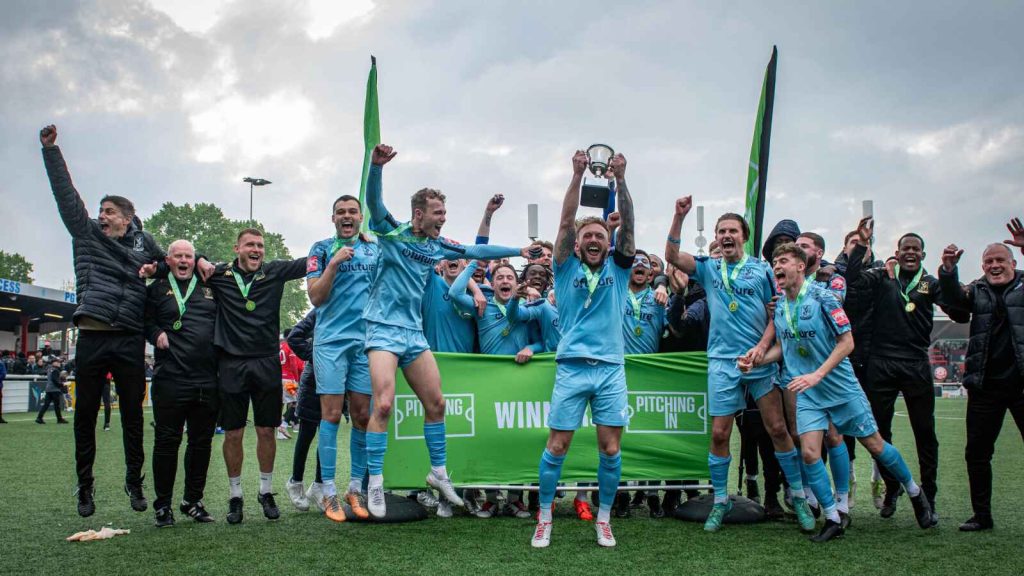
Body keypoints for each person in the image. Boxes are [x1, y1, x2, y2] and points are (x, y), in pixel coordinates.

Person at [360, 143, 538, 519]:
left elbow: (476, 252)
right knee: (384, 404)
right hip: (382, 329)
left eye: (444, 212)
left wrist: (519, 250)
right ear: (419, 213)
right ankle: (374, 480)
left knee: (437, 404)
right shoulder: (392, 232)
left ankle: (438, 473)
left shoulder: (438, 245)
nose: (443, 218)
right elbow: (374, 203)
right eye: (438, 213)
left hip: (413, 333)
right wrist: (376, 167)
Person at [741, 243, 936, 541]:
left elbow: (847, 343)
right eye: (775, 262)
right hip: (808, 392)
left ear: (800, 266)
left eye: (783, 261)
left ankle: (913, 491)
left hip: (840, 387)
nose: (777, 266)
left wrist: (817, 374)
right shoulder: (780, 306)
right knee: (809, 452)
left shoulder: (824, 298)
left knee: (875, 445)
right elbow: (782, 348)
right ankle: (833, 517)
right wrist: (756, 361)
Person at [664, 197, 814, 533]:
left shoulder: (763, 271)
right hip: (722, 362)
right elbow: (672, 256)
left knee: (777, 429)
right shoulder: (708, 267)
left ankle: (799, 497)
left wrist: (761, 349)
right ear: (716, 237)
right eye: (721, 231)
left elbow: (776, 314)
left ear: (743, 236)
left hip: (759, 362)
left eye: (732, 230)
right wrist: (679, 217)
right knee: (720, 433)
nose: (727, 236)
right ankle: (720, 501)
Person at [40, 124, 165, 517]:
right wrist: (51, 152)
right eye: (101, 211)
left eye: (110, 212)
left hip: (129, 339)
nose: (102, 216)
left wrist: (155, 269)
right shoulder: (86, 233)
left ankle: (134, 481)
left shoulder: (145, 243)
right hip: (92, 337)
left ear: (128, 219)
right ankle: (85, 486)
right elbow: (66, 198)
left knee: (132, 417)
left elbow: (168, 266)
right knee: (84, 418)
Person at [530, 150, 635, 549]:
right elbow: (563, 222)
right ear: (577, 245)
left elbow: (629, 227)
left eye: (600, 237)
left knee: (611, 448)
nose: (593, 240)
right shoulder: (565, 267)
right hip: (572, 368)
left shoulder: (619, 270)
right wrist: (576, 176)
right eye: (587, 236)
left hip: (610, 369)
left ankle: (603, 519)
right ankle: (544, 517)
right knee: (557, 446)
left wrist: (621, 180)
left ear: (608, 245)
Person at [845, 219, 962, 524]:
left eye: (916, 249)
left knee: (925, 432)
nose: (910, 252)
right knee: (879, 433)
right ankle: (892, 488)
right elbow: (852, 282)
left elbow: (958, 310)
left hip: (915, 364)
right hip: (880, 363)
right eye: (905, 248)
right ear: (896, 253)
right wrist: (860, 244)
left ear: (923, 255)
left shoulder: (930, 283)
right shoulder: (882, 277)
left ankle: (929, 496)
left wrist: (949, 273)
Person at [201, 228, 308, 524]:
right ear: (237, 248)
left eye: (260, 245)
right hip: (231, 363)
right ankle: (235, 495)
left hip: (265, 362)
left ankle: (266, 490)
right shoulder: (219, 274)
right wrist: (199, 258)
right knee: (233, 433)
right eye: (250, 244)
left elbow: (310, 261)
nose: (256, 249)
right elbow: (181, 262)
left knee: (266, 430)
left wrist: (347, 243)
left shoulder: (274, 272)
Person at [937, 234, 1024, 532]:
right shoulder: (978, 289)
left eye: (1000, 260)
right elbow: (957, 309)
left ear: (1013, 262)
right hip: (985, 385)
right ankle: (982, 515)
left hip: (1021, 384)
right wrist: (949, 272)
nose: (994, 265)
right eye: (989, 261)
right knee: (977, 453)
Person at [305, 193, 379, 522]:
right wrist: (334, 263)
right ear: (333, 218)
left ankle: (355, 488)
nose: (346, 216)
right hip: (331, 343)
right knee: (332, 415)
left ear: (361, 218)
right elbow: (316, 297)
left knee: (362, 416)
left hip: (365, 343)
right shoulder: (321, 249)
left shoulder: (373, 249)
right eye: (340, 212)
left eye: (352, 211)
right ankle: (328, 491)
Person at [143, 240, 219, 527]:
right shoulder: (156, 289)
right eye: (178, 256)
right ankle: (163, 505)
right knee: (166, 443)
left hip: (207, 380)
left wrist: (203, 258)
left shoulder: (209, 284)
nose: (184, 261)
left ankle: (192, 501)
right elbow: (144, 321)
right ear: (169, 261)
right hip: (170, 378)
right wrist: (155, 333)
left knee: (201, 444)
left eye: (189, 256)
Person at [283, 310, 325, 513]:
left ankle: (319, 485)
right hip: (313, 382)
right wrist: (315, 355)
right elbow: (294, 336)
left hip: (335, 381)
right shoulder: (319, 310)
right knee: (306, 435)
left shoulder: (349, 308)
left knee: (327, 437)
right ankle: (295, 482)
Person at [36, 358, 69, 424]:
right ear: (54, 363)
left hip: (48, 389)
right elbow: (55, 380)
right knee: (57, 405)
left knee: (46, 404)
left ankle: (39, 418)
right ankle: (59, 419)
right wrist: (62, 384)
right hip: (55, 390)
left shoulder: (49, 369)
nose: (59, 363)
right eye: (57, 362)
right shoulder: (55, 370)